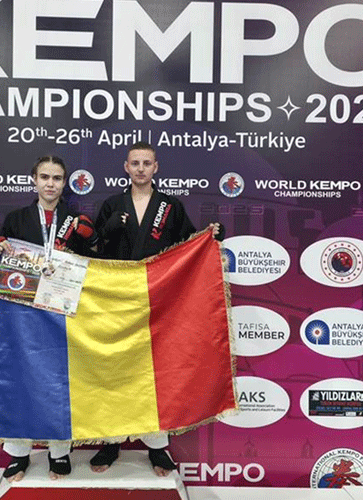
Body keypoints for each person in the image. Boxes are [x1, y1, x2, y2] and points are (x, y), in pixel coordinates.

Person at [91, 141, 223, 476]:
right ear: (125, 167)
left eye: (146, 163)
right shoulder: (111, 205)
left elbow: (188, 245)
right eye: (134, 163)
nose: (140, 169)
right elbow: (93, 248)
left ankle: (157, 446)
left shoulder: (170, 206)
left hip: (159, 302)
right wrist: (110, 228)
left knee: (157, 373)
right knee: (117, 371)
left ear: (155, 167)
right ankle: (111, 440)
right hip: (117, 301)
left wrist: (212, 236)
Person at [0, 156, 98, 482]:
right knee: (21, 379)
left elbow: (96, 262)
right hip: (22, 312)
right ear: (34, 180)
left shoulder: (74, 219)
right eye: (45, 177)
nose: (51, 184)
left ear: (65, 184)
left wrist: (90, 239)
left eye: (57, 178)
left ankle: (59, 452)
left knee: (58, 382)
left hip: (62, 311)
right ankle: (19, 455)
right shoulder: (17, 218)